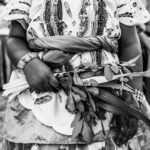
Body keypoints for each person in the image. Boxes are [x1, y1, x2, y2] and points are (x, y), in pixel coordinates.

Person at [1, 0, 150, 149]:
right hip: (42, 97)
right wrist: (29, 64)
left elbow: (129, 45)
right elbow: (15, 38)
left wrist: (132, 104)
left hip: (107, 98)